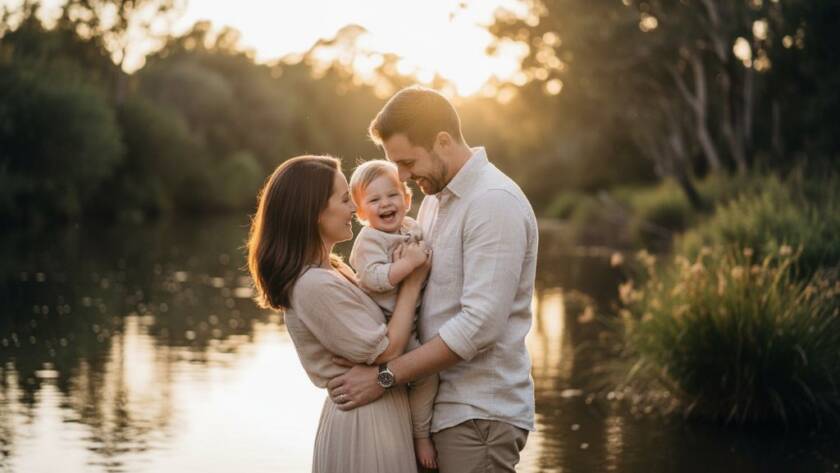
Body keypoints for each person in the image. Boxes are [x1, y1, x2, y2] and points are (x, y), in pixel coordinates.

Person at [327, 86, 539, 472]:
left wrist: (384, 377)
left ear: (442, 141)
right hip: (437, 410)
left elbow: (479, 326)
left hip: (477, 414)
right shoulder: (435, 202)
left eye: (408, 162)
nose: (402, 176)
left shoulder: (493, 202)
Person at [247, 155, 430, 473]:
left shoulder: (333, 269)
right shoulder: (312, 284)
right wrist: (412, 283)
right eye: (345, 199)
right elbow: (388, 350)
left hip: (381, 413)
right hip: (365, 424)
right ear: (315, 212)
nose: (354, 209)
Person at [348, 159, 440, 470]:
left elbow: (427, 247)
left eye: (392, 195)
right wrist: (408, 264)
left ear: (407, 199)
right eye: (374, 200)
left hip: (412, 319)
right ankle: (420, 435)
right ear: (361, 213)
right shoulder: (368, 241)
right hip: (388, 325)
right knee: (426, 374)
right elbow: (373, 278)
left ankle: (414, 425)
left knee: (425, 375)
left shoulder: (412, 228)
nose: (385, 204)